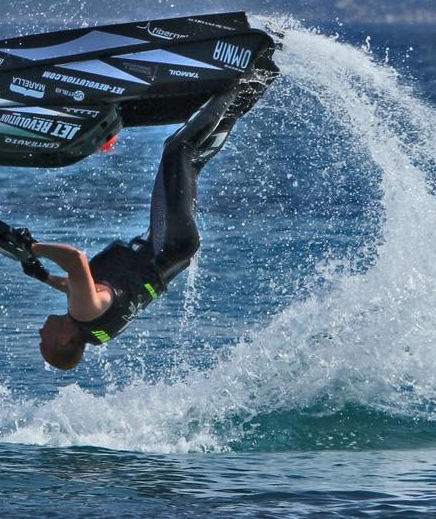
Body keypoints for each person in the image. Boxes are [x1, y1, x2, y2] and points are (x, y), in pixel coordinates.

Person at [20, 73, 276, 370]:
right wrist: (33, 247)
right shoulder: (85, 314)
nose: (40, 333)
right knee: (178, 149)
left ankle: (256, 85)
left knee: (192, 160)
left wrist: (44, 277)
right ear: (63, 339)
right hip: (168, 241)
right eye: (43, 340)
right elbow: (76, 261)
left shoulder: (95, 329)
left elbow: (83, 287)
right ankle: (242, 81)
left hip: (176, 249)